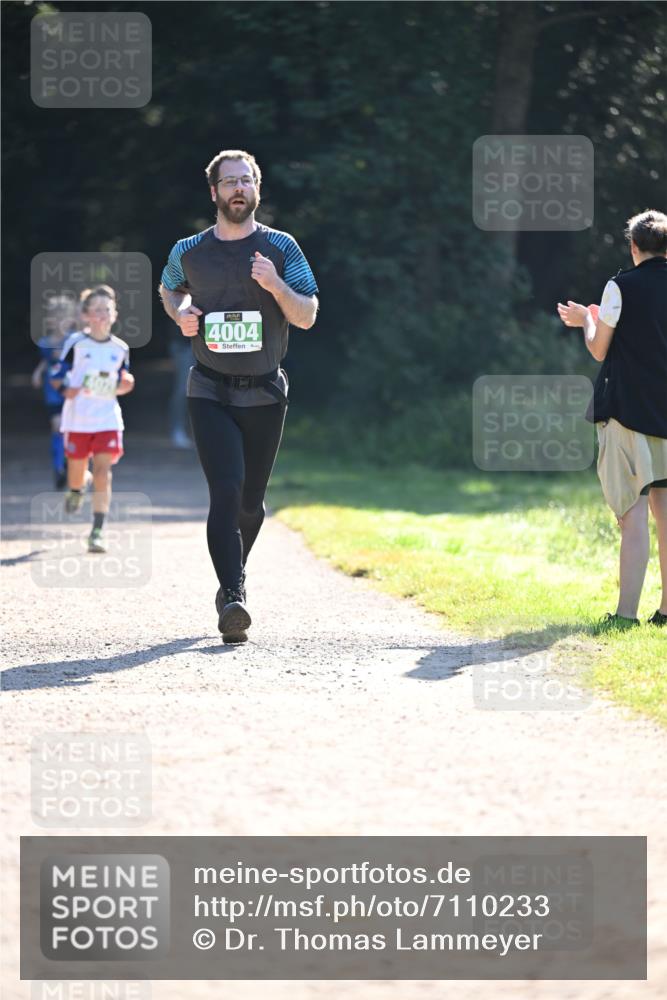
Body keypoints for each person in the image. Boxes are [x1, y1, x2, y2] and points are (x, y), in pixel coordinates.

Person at [158, 148, 319, 643]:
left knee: (251, 503)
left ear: (257, 189)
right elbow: (169, 288)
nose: (238, 189)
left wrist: (274, 286)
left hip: (265, 391)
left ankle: (232, 574)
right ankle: (233, 596)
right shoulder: (189, 249)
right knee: (225, 490)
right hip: (208, 387)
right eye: (229, 182)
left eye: (245, 180)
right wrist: (181, 310)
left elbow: (308, 313)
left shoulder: (282, 248)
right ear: (214, 192)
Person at [557, 209, 667, 629]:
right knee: (666, 512)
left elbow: (599, 350)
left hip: (629, 414)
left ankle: (625, 616)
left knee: (633, 513)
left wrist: (587, 319)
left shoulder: (619, 286)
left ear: (634, 246)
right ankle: (666, 612)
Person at [50, 285, 135, 553]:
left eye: (106, 309)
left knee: (103, 472)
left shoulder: (120, 348)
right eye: (96, 309)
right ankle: (76, 488)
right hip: (78, 420)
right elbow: (56, 374)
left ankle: (97, 531)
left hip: (107, 419)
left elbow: (122, 380)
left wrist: (126, 385)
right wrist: (66, 389)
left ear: (115, 315)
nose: (102, 314)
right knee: (77, 475)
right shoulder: (76, 344)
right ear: (86, 315)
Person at [31, 294, 80, 488]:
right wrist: (38, 372)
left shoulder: (74, 341)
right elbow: (47, 361)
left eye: (63, 317)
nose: (58, 321)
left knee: (74, 429)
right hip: (52, 392)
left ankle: (74, 464)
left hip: (72, 390)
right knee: (57, 426)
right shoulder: (45, 342)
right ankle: (58, 466)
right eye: (54, 316)